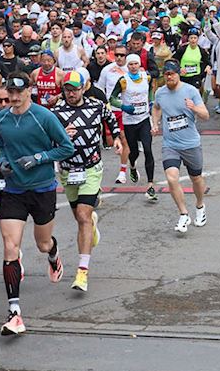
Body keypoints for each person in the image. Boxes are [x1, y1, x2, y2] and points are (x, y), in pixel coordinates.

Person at [0, 72, 73, 336]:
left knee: (43, 243)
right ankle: (15, 313)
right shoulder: (0, 119)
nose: (16, 97)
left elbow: (66, 148)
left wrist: (40, 157)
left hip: (42, 188)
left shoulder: (44, 117)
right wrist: (2, 163)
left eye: (20, 92)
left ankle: (54, 256)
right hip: (13, 189)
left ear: (30, 91)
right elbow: (0, 146)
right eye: (11, 92)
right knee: (11, 248)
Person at [56, 72, 120, 290]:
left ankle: (82, 272)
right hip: (68, 170)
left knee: (82, 215)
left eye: (75, 89)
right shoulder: (56, 112)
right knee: (80, 217)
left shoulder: (97, 106)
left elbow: (111, 119)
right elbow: (46, 138)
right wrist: (62, 135)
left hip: (91, 168)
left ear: (83, 88)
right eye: (67, 89)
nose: (71, 93)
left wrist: (118, 138)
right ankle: (92, 223)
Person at [152, 61, 209, 234]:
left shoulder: (190, 91)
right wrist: (155, 123)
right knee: (171, 178)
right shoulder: (160, 93)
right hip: (171, 145)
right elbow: (156, 108)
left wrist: (193, 108)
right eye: (166, 74)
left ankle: (200, 207)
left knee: (196, 178)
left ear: (179, 74)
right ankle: (183, 213)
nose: (169, 77)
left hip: (191, 143)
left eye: (172, 74)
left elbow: (205, 115)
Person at [109, 54, 154, 193]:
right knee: (133, 151)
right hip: (129, 122)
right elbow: (112, 98)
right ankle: (133, 166)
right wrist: (123, 107)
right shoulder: (123, 81)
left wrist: (151, 101)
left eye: (136, 64)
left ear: (140, 65)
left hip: (144, 119)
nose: (133, 67)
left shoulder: (146, 77)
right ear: (127, 66)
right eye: (130, 64)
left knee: (147, 149)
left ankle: (150, 184)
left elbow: (150, 90)